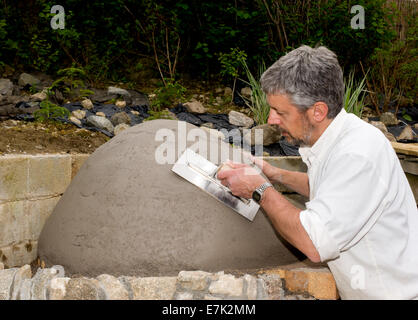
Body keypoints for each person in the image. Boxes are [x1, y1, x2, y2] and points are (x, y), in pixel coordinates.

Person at [217, 45, 418, 300]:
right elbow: (329, 189)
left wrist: (259, 189)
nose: (271, 120)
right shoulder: (339, 138)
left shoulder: (357, 154)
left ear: (318, 111)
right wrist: (273, 174)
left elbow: (313, 243)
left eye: (280, 112)